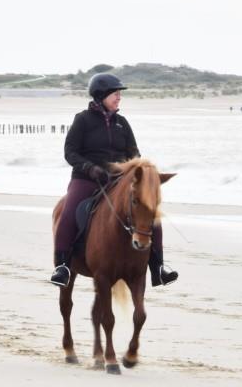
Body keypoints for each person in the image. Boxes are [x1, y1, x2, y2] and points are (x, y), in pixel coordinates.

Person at [51, 72, 178, 288]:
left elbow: (134, 154)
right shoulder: (83, 120)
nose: (119, 97)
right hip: (87, 179)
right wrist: (90, 169)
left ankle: (158, 267)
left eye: (119, 94)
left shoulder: (122, 123)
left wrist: (138, 173)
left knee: (150, 211)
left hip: (118, 181)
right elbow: (70, 152)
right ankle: (62, 266)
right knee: (69, 211)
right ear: (101, 95)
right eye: (115, 93)